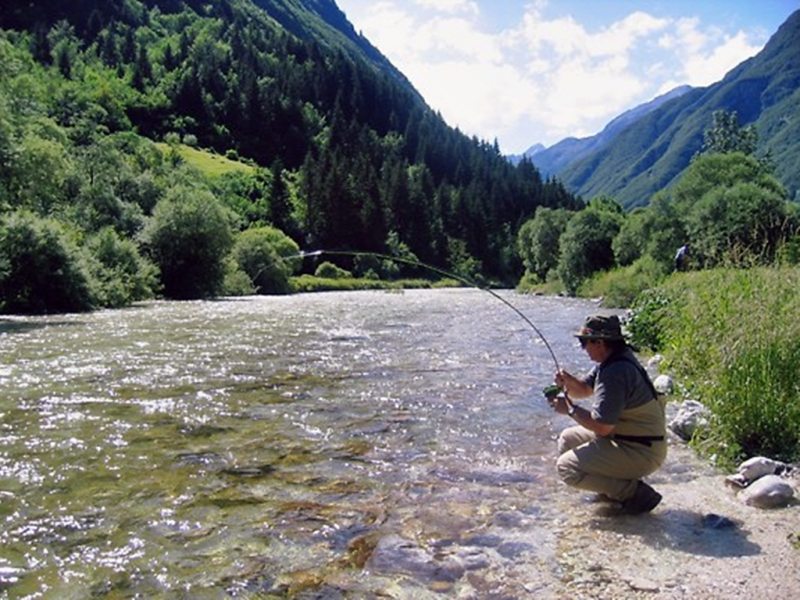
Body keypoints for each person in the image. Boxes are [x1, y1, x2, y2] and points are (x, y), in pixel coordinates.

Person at [547, 314, 667, 514]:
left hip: (642, 451)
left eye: (584, 342)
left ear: (600, 342)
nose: (583, 348)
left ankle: (633, 493)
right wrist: (567, 381)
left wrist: (569, 409)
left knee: (566, 468)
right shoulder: (612, 361)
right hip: (632, 440)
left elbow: (602, 427)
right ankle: (610, 492)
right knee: (568, 438)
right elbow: (584, 390)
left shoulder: (616, 372)